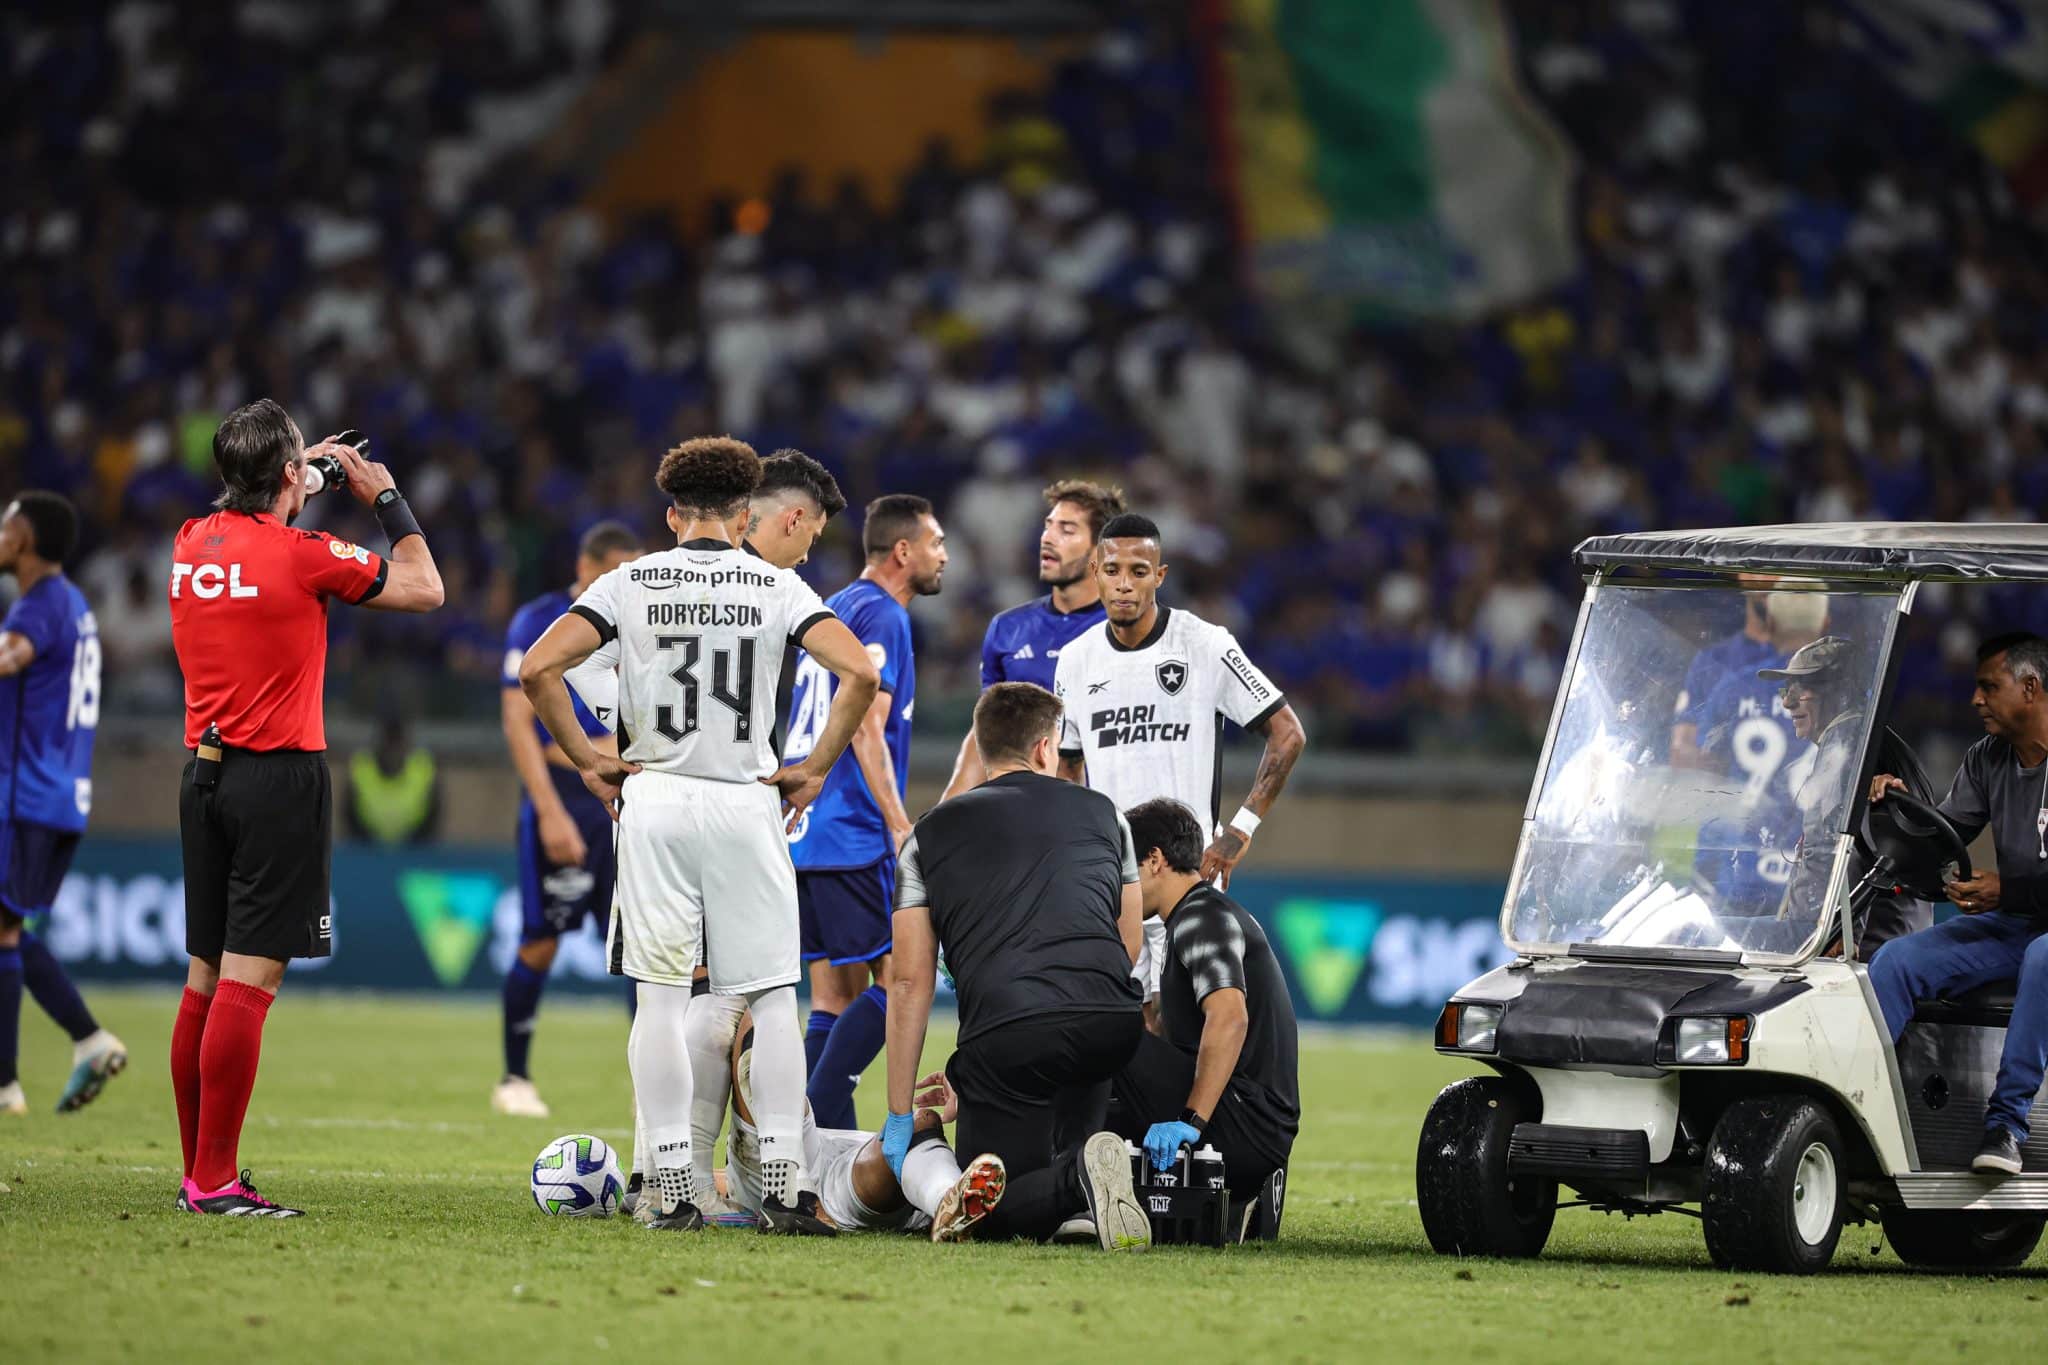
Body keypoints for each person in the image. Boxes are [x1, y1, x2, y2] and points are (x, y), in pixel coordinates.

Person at [517, 435, 879, 1234]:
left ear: (672, 514)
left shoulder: (628, 582)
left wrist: (588, 759)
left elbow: (538, 668)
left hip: (655, 797)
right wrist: (814, 768)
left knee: (659, 998)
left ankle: (671, 1184)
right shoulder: (777, 585)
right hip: (746, 799)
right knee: (774, 996)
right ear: (745, 514)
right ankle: (786, 1184)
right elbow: (860, 673)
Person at [169, 399, 444, 1216]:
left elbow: (254, 513)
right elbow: (426, 589)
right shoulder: (306, 555)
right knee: (250, 981)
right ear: (286, 474)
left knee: (205, 976)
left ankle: (198, 1173)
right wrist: (384, 497)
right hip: (277, 780)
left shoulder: (189, 541)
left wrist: (308, 470)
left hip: (203, 776)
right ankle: (215, 1182)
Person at [883, 681, 1152, 1249]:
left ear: (981, 748)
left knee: (986, 1206)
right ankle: (1083, 1184)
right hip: (1110, 1023)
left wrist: (900, 1113)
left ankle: (1076, 1181)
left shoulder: (926, 836)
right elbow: (1127, 943)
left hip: (1010, 1036)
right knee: (1077, 1058)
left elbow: (908, 982)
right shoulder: (1109, 815)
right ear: (1045, 748)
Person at [1050, 512, 1306, 997]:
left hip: (1187, 881)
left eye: (1139, 571)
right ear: (1095, 573)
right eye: (1113, 570)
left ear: (1160, 576)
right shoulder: (1075, 660)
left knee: (1185, 1022)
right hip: (1113, 882)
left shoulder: (1205, 645)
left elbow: (1288, 733)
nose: (1124, 584)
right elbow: (1066, 767)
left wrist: (1240, 831)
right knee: (1120, 1025)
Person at [786, 493, 947, 1131]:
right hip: (851, 830)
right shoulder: (884, 614)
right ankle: (809, 1118)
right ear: (903, 551)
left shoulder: (834, 606)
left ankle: (819, 1145)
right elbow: (865, 724)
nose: (944, 556)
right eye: (935, 543)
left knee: (833, 993)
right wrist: (899, 823)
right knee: (906, 976)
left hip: (804, 832)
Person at [1868, 633, 2048, 1175]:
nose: (1976, 699)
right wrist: (1898, 805)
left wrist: (2007, 891)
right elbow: (1940, 841)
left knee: (2043, 957)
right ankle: (1862, 1108)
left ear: (2030, 688)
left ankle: (2006, 1125)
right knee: (1896, 961)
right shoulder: (1987, 758)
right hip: (2016, 924)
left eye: (1989, 687)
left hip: (2034, 934)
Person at [491, 520, 643, 1119]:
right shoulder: (540, 620)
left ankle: (647, 1084)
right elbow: (517, 720)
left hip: (629, 801)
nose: (625, 583)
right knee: (541, 942)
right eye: (615, 572)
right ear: (586, 568)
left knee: (642, 945)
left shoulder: (641, 620)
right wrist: (550, 811)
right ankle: (514, 1078)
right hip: (565, 799)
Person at [0, 492, 126, 1117]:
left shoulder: (40, 604)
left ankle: (5, 1086)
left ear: (25, 539)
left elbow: (9, 658)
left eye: (6, 524)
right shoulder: (73, 604)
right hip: (62, 793)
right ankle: (88, 1040)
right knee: (8, 928)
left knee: (4, 932)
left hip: (26, 792)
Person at [1109, 798, 1299, 1199]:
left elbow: (1230, 1018)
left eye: (1123, 869)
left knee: (1098, 1031)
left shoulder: (1201, 917)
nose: (1119, 886)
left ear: (1155, 860)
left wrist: (1191, 1121)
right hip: (1252, 1123)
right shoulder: (1196, 915)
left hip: (1244, 1126)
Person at [722, 1013, 1008, 1241]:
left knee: (770, 1006)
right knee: (921, 1123)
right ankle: (946, 1199)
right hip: (811, 1185)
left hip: (792, 1162)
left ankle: (949, 1200)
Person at [939, 478, 1126, 801]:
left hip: (1104, 815)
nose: (1047, 538)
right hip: (1025, 814)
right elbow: (988, 732)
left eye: (1067, 530)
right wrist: (944, 811)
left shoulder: (1128, 631)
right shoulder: (1008, 628)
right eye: (1048, 526)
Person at [1685, 590, 1827, 918]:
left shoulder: (1735, 686)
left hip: (1740, 872)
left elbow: (1711, 777)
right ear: (1825, 625)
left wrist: (1703, 864)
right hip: (1813, 880)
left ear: (1771, 623)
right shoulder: (1847, 694)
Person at [1670, 578, 1777, 770]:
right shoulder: (1711, 661)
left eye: (1778, 569)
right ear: (1743, 575)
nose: (1773, 578)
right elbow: (1681, 750)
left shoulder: (1818, 658)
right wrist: (1709, 764)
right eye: (1762, 569)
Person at [343, 714, 442, 845]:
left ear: (407, 744)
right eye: (389, 741)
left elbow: (434, 813)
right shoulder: (362, 767)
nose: (393, 750)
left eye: (398, 742)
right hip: (366, 848)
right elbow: (348, 812)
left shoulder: (423, 768)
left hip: (416, 848)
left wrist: (417, 843)